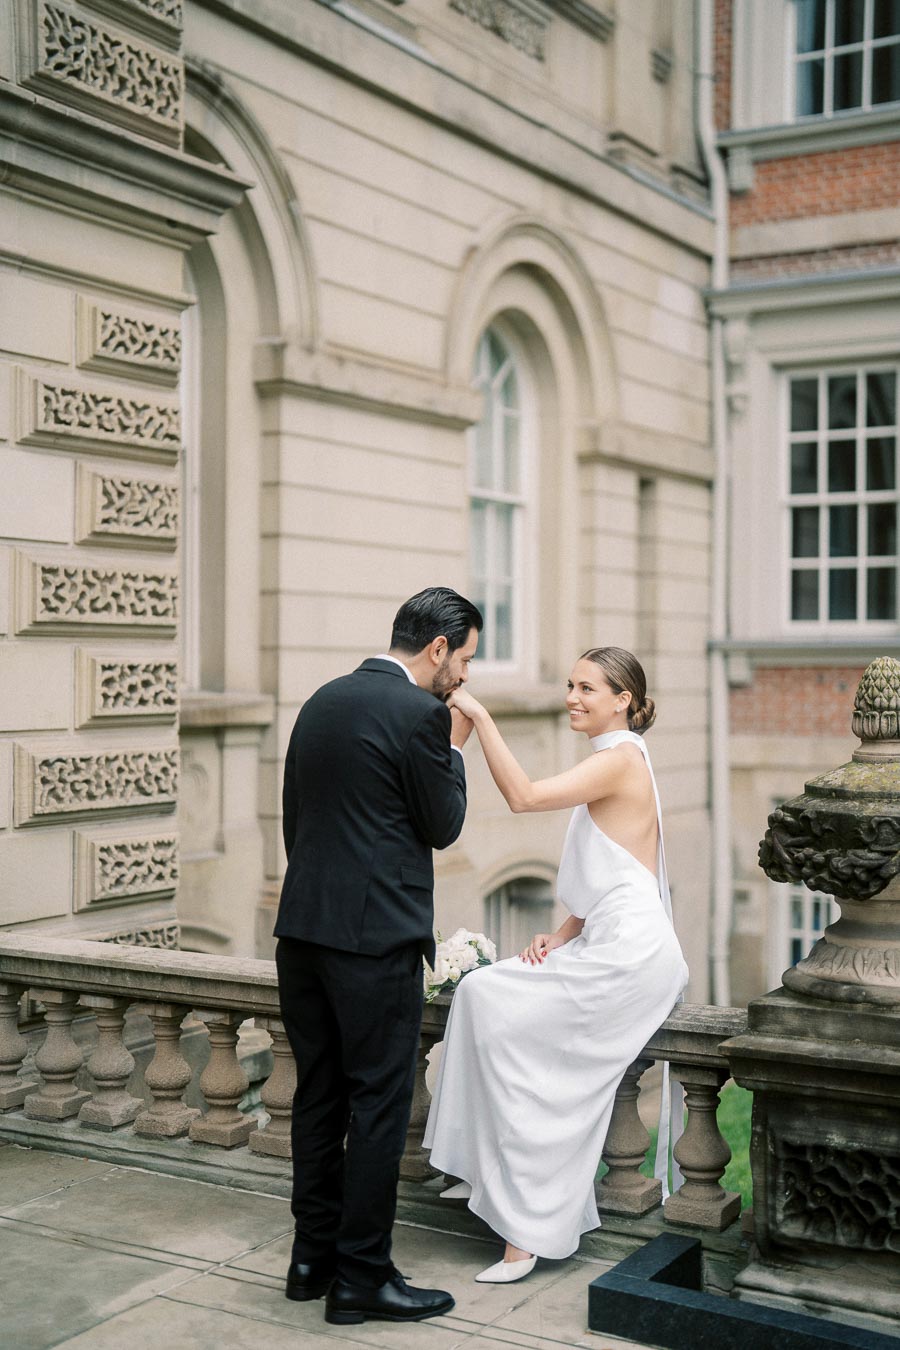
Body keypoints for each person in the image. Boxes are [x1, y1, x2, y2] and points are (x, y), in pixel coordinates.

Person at [423, 646, 688, 1283]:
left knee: (528, 1056)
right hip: (606, 941)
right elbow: (627, 868)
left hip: (631, 956)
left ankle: (527, 1229)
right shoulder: (616, 759)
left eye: (587, 688)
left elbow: (524, 796)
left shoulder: (621, 760)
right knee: (484, 996)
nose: (572, 697)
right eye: (570, 685)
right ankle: (490, 1176)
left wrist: (481, 720)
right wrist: (564, 932)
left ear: (623, 699)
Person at [275, 586, 482, 1325]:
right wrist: (453, 751)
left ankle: (311, 1260)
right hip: (373, 944)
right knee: (379, 1108)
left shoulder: (321, 700)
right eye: (463, 659)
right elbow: (443, 824)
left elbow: (299, 821)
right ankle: (361, 1277)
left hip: (300, 932)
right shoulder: (423, 714)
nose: (462, 677)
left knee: (318, 1096)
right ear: (436, 649)